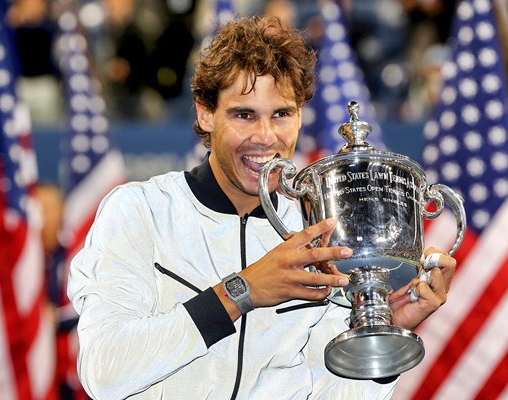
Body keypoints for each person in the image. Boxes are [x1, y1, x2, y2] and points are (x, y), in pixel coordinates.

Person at [67, 15, 457, 400]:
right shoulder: (139, 211)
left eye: (282, 114)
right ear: (205, 114)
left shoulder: (321, 229)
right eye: (244, 114)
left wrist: (379, 346)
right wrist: (243, 291)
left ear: (300, 116)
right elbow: (105, 372)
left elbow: (332, 394)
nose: (265, 137)